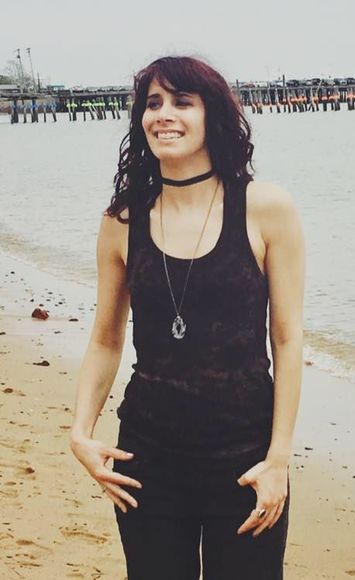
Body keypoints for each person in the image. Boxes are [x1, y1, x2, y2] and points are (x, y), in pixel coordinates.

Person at [69, 55, 305, 579]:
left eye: (181, 101)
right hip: (148, 461)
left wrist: (279, 459)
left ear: (211, 114)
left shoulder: (266, 208)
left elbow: (287, 340)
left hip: (245, 459)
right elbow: (106, 339)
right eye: (153, 103)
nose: (164, 114)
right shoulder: (121, 220)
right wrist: (80, 431)